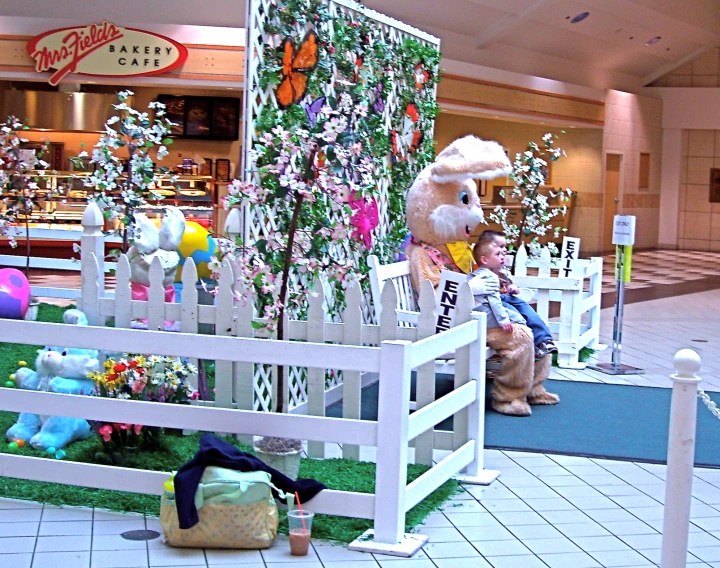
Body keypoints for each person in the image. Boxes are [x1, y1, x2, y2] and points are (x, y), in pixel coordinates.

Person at [467, 238, 537, 416]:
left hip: (482, 319)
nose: (503, 256)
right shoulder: (486, 276)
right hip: (485, 322)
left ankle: (534, 389)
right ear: (484, 259)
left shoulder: (487, 273)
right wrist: (504, 320)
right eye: (498, 253)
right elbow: (494, 302)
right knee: (523, 336)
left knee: (530, 329)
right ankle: (507, 397)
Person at [477, 230, 558, 359]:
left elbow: (508, 283)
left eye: (504, 247)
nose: (504, 251)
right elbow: (486, 295)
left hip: (506, 297)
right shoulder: (481, 271)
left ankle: (545, 340)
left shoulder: (501, 268)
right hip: (494, 302)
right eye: (499, 248)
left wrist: (511, 287)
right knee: (516, 315)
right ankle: (533, 345)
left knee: (527, 310)